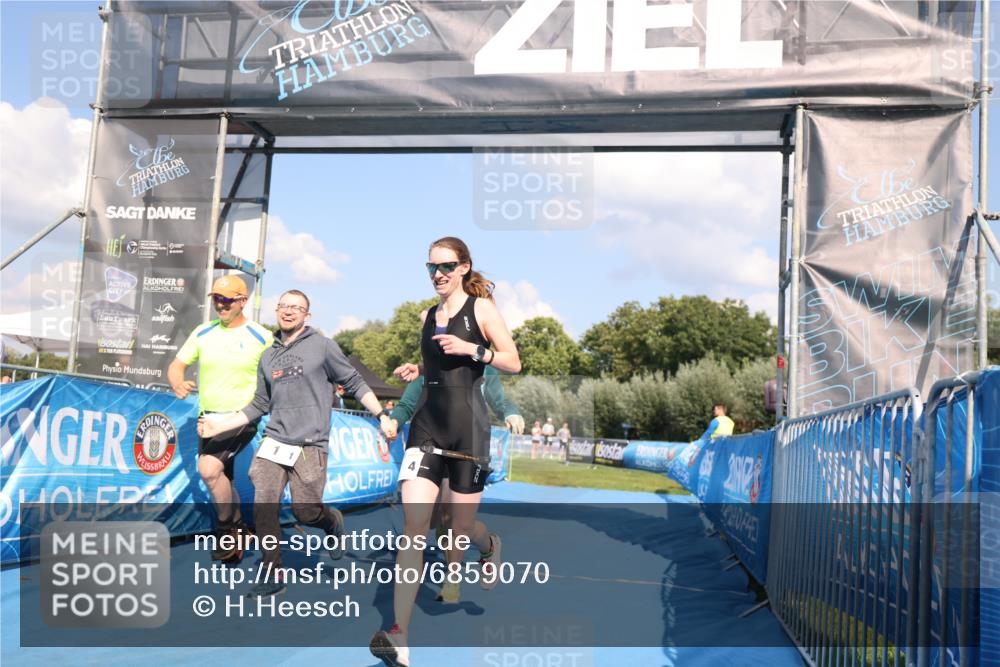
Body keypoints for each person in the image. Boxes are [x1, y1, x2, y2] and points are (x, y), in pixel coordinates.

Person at [370, 237, 521, 667]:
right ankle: (399, 636)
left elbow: (513, 361)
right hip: (427, 429)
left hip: (469, 433)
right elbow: (435, 371)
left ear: (464, 267)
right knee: (414, 526)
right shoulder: (427, 316)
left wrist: (475, 349)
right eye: (431, 266)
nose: (437, 273)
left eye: (446, 266)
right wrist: (416, 374)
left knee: (459, 526)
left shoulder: (483, 310)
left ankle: (487, 544)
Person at [198, 289, 394, 598]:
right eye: (284, 306)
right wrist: (218, 425)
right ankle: (273, 571)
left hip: (310, 444)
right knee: (264, 504)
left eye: (297, 307)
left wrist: (381, 414)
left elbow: (354, 382)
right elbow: (257, 406)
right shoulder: (268, 356)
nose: (289, 311)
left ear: (307, 314)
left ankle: (331, 522)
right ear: (277, 310)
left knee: (306, 512)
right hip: (274, 440)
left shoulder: (323, 347)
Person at [385, 364, 525, 603]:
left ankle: (476, 558)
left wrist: (510, 412)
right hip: (430, 444)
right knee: (430, 522)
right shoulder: (428, 364)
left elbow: (500, 401)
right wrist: (394, 422)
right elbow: (407, 405)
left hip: (468, 449)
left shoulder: (483, 370)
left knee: (457, 523)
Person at [168, 275, 273, 563]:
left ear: (243, 301)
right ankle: (239, 526)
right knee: (221, 478)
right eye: (217, 299)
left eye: (227, 300)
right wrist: (177, 382)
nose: (221, 305)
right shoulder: (203, 332)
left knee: (208, 469)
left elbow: (276, 379)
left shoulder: (262, 337)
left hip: (242, 417)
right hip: (209, 419)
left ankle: (228, 528)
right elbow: (177, 366)